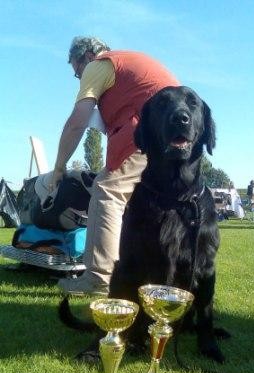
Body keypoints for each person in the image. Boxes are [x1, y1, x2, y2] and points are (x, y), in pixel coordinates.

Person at [52, 36, 179, 295]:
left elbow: (78, 122)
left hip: (147, 131)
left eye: (77, 72)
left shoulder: (98, 65)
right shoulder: (130, 63)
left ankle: (99, 279)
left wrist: (59, 166)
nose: (80, 76)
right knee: (150, 205)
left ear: (86, 56)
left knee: (107, 191)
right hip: (179, 136)